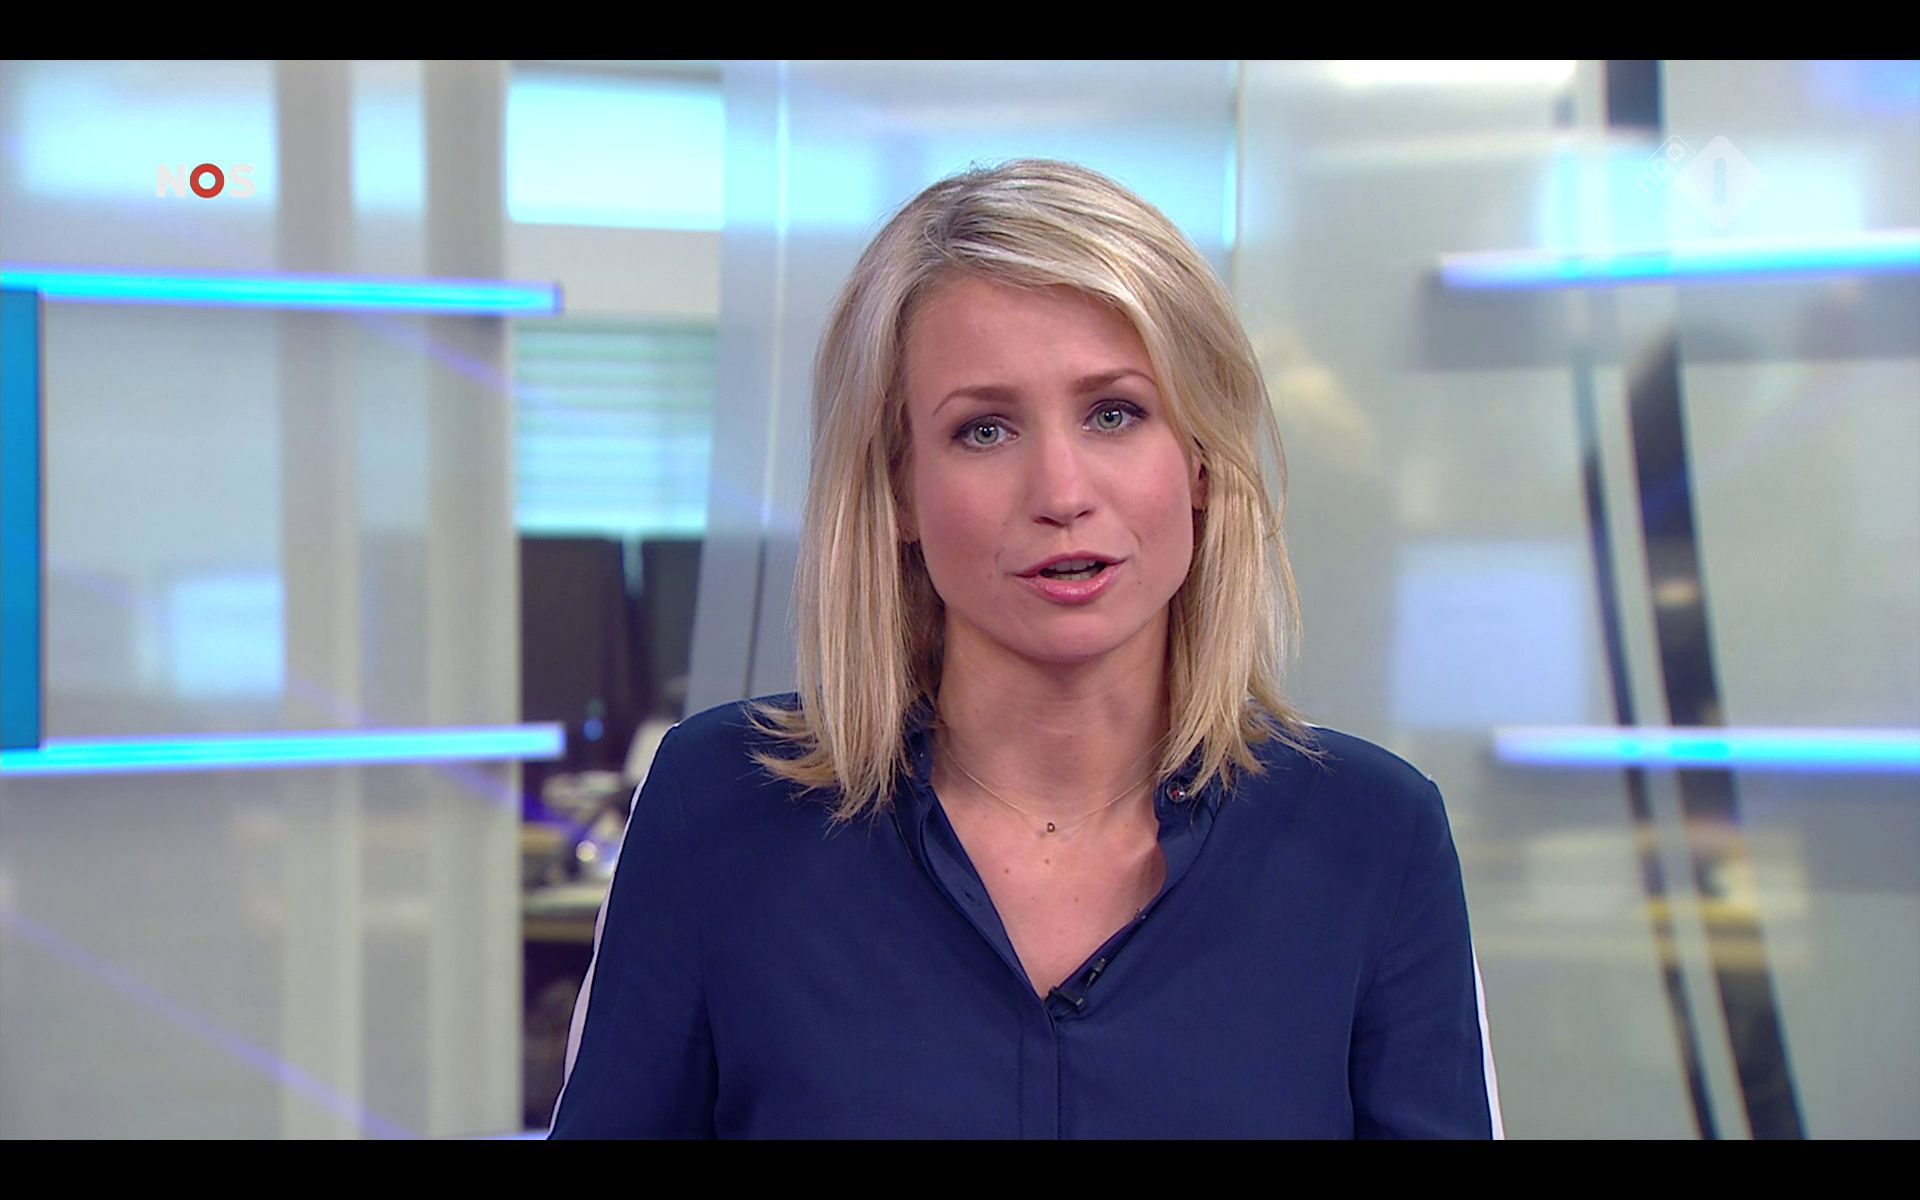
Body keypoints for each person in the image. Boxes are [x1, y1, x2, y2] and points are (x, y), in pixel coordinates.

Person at [548, 159, 1502, 1139]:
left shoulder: (1373, 839)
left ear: (1200, 459)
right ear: (898, 489)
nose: (1061, 491)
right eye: (985, 430)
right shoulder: (719, 811)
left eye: (1114, 414)